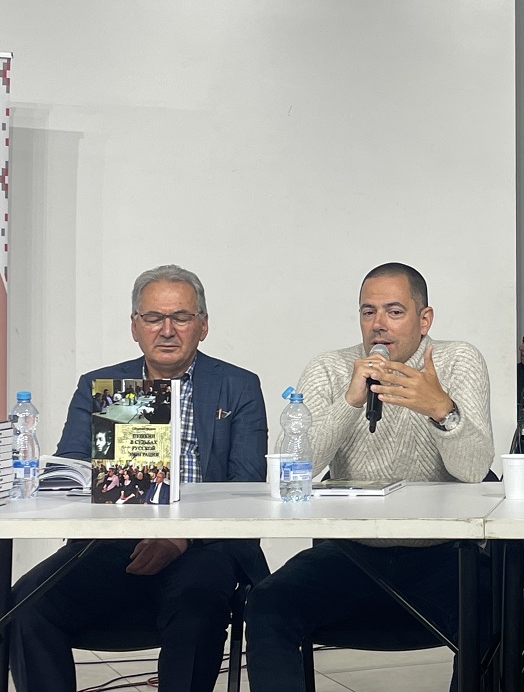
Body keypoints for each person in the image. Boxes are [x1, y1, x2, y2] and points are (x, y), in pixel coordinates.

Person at [8, 264, 269, 692]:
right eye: (153, 317)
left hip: (203, 546)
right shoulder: (103, 385)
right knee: (27, 604)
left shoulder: (237, 386)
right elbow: (71, 474)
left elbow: (246, 486)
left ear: (203, 326)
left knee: (196, 609)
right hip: (111, 543)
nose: (167, 330)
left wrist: (178, 538)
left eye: (181, 317)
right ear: (134, 326)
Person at [245, 262, 494, 692]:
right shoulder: (331, 367)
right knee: (268, 603)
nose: (379, 324)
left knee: (497, 610)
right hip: (351, 554)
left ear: (424, 319)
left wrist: (441, 409)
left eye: (394, 312)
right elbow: (290, 468)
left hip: (443, 556)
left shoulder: (457, 360)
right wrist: (350, 402)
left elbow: (473, 470)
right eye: (368, 312)